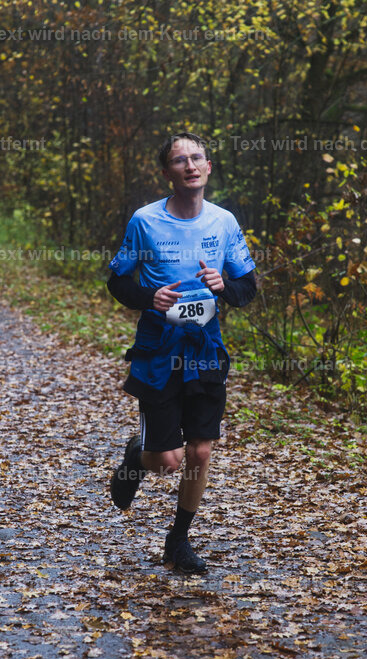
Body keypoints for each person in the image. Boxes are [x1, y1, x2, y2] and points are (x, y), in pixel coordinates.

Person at [107, 132, 257, 574]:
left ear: (209, 167)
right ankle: (138, 455)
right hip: (159, 348)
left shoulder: (224, 223)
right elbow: (117, 280)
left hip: (205, 348)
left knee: (201, 451)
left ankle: (178, 540)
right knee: (165, 461)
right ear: (167, 172)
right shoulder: (145, 221)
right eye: (179, 160)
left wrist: (224, 287)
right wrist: (147, 296)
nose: (190, 165)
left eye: (197, 158)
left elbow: (247, 287)